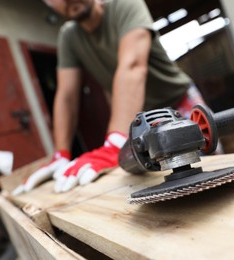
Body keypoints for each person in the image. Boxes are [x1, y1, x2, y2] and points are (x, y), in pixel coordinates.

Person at [12, 0, 206, 195]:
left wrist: (114, 144)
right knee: (160, 183)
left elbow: (133, 66)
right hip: (141, 118)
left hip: (178, 103)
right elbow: (67, 96)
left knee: (207, 170)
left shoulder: (126, 5)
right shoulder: (68, 36)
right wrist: (61, 153)